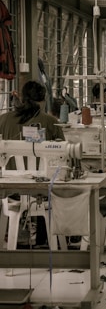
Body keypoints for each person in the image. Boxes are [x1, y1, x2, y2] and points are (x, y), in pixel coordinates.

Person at [0, 80, 65, 247]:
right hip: (40, 191)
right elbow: (62, 154)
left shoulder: (3, 119)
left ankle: (10, 235)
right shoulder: (51, 122)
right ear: (43, 101)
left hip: (9, 189)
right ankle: (45, 239)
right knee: (52, 186)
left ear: (23, 98)